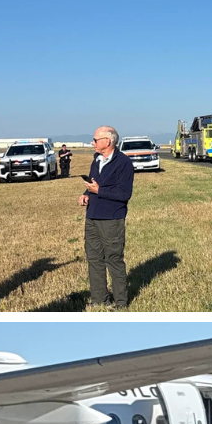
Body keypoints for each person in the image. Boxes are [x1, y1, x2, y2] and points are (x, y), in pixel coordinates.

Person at [78, 125, 134, 308]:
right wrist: (86, 194)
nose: (92, 143)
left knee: (113, 259)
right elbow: (93, 184)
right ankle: (99, 299)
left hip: (111, 218)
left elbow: (124, 193)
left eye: (95, 140)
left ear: (107, 141)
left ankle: (120, 302)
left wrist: (99, 190)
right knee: (94, 259)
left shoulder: (123, 163)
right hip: (92, 216)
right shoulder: (96, 160)